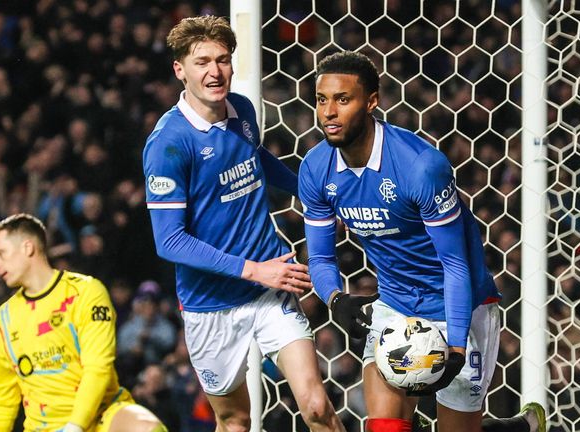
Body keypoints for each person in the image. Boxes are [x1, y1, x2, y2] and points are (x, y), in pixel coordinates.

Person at [298, 51, 547, 432]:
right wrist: (336, 299)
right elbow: (319, 258)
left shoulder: (421, 166)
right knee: (385, 428)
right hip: (395, 305)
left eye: (343, 99)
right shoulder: (316, 168)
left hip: (460, 306)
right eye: (321, 99)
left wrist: (458, 347)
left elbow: (455, 264)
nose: (329, 112)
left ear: (371, 101)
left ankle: (522, 427)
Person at [142, 15, 345, 432]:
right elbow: (169, 241)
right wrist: (255, 270)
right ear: (180, 70)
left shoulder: (243, 109)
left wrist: (312, 196)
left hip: (269, 287)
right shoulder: (168, 145)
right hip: (211, 303)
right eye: (201, 62)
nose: (215, 72)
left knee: (316, 406)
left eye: (222, 59)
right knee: (235, 421)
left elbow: (256, 158)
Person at [0, 213, 168, 432]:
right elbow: (2, 396)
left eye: (0, 253)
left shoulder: (86, 292)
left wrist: (75, 426)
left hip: (101, 415)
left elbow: (98, 367)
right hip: (44, 428)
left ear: (27, 248)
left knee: (146, 428)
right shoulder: (2, 319)